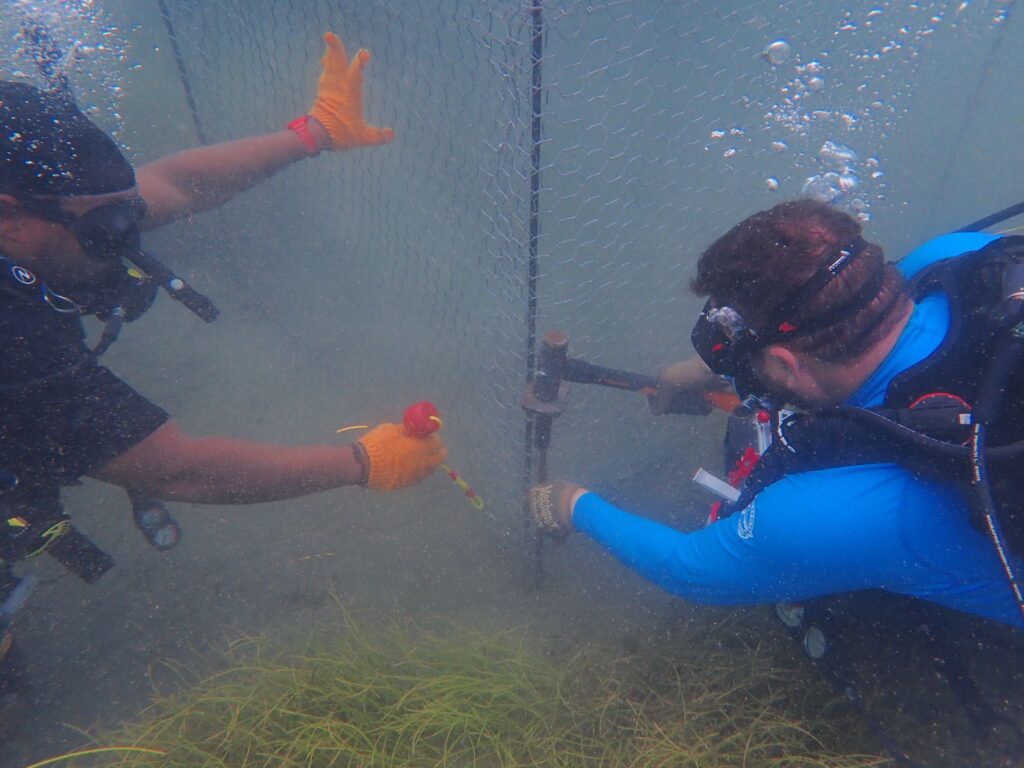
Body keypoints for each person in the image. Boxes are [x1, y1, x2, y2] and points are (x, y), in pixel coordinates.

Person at [0, 32, 446, 702]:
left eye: (126, 221)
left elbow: (173, 184)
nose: (126, 243)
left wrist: (315, 132)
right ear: (9, 218)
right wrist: (363, 462)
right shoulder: (12, 331)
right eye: (105, 234)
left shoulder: (40, 201)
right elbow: (178, 468)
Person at [529, 198, 1024, 629]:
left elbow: (689, 569)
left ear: (786, 364)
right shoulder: (954, 260)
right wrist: (701, 370)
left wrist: (573, 504)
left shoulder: (829, 515)